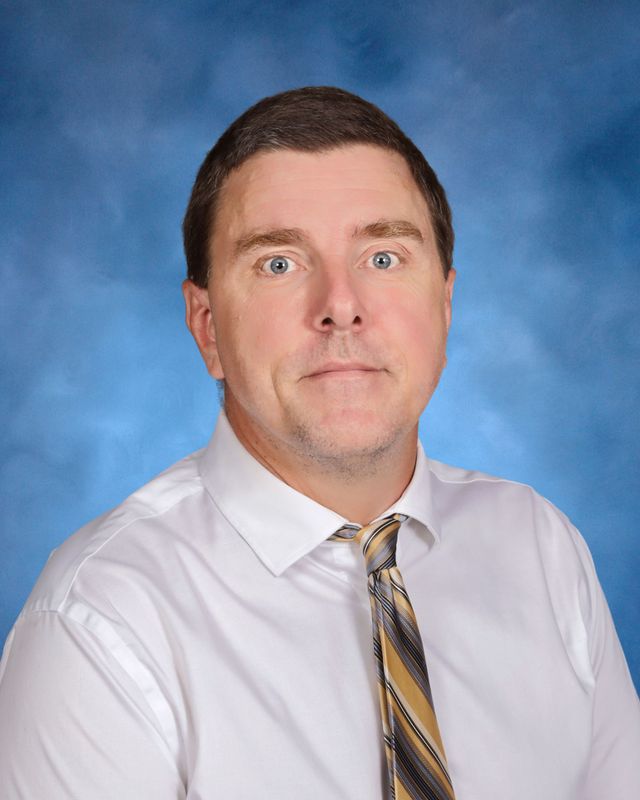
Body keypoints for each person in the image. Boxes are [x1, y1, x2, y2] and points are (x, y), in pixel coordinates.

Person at [0, 86, 638, 800]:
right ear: (207, 326)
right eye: (279, 263)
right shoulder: (102, 619)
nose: (340, 305)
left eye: (385, 257)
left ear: (446, 303)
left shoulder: (541, 549)